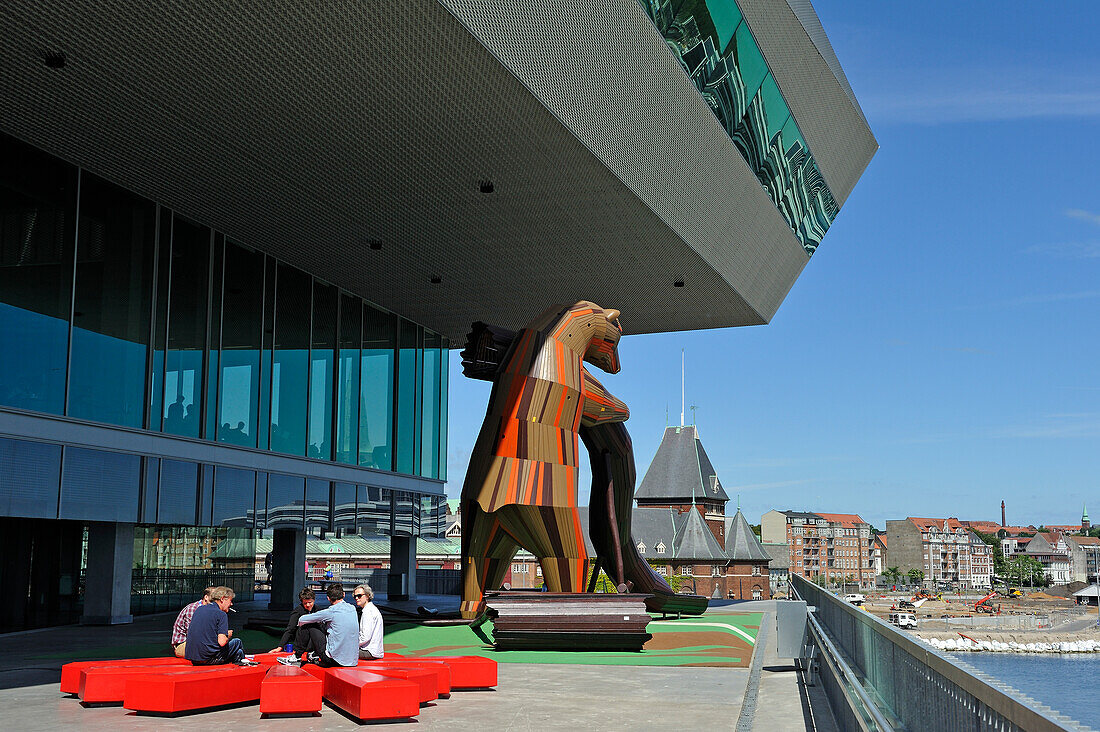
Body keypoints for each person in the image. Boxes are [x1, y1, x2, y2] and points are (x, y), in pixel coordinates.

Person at [279, 583, 358, 667]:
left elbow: (302, 620)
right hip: (352, 660)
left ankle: (297, 656)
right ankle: (313, 654)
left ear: (328, 598)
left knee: (307, 624)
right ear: (344, 595)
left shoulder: (330, 611)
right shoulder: (352, 608)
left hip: (334, 660)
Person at [184, 586, 258, 666]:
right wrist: (227, 635)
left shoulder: (199, 609)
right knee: (237, 642)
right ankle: (241, 666)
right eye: (230, 601)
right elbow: (222, 642)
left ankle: (239, 661)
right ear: (222, 599)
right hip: (209, 659)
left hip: (194, 658)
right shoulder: (221, 614)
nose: (231, 604)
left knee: (238, 652)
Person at [268, 588, 322, 655]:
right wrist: (280, 647)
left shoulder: (318, 610)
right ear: (302, 602)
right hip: (302, 643)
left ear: (314, 600)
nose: (308, 605)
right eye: (305, 603)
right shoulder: (297, 612)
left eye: (310, 602)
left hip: (315, 644)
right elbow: (290, 629)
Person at [170, 585, 215, 658]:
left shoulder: (210, 609)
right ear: (206, 597)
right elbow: (193, 634)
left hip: (196, 643)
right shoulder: (193, 609)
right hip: (185, 644)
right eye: (214, 598)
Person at [353, 584, 384, 660]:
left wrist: (352, 644)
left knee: (340, 650)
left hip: (369, 651)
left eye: (359, 596)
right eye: (355, 596)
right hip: (374, 651)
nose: (356, 598)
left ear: (367, 596)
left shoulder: (368, 612)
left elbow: (365, 637)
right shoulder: (371, 609)